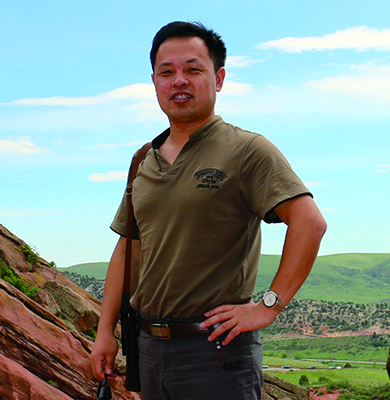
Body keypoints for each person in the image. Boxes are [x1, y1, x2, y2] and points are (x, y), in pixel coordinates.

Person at [91, 21, 327, 400]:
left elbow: (309, 223)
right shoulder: (143, 161)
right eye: (166, 72)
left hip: (216, 352)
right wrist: (105, 331)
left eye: (193, 69)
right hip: (149, 349)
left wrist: (269, 305)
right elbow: (129, 249)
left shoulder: (247, 150)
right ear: (154, 82)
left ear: (218, 79)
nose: (178, 80)